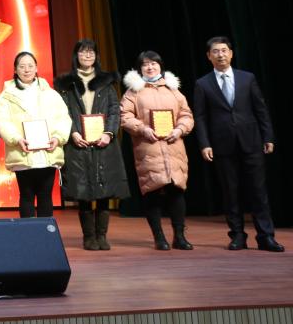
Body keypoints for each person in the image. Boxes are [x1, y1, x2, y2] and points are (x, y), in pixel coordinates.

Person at [192, 37, 282, 252]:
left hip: (251, 142)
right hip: (222, 145)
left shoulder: (247, 78)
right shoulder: (202, 84)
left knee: (258, 191)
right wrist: (204, 144)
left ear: (231, 54)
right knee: (231, 192)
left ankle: (266, 237)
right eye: (216, 51)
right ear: (209, 56)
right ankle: (238, 236)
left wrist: (268, 137)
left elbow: (260, 109)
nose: (220, 55)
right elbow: (200, 117)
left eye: (224, 50)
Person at [54, 39, 129, 250]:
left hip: (103, 142)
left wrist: (109, 133)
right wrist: (73, 133)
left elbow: (114, 110)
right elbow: (62, 113)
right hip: (78, 142)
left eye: (91, 52)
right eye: (83, 52)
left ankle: (101, 235)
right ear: (76, 56)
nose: (87, 55)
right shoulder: (66, 84)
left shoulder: (106, 82)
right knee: (83, 190)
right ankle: (88, 236)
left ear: (96, 56)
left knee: (104, 189)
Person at [120, 51, 195, 250]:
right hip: (148, 147)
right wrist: (143, 129)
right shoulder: (133, 92)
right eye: (145, 64)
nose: (150, 67)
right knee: (151, 191)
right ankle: (159, 237)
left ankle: (179, 236)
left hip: (173, 146)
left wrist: (180, 129)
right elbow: (125, 116)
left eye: (154, 63)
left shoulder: (173, 90)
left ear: (160, 66)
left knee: (176, 191)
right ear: (140, 69)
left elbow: (186, 114)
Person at [0, 51, 71, 219]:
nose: (26, 70)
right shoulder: (6, 96)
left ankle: (45, 233)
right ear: (15, 70)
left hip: (47, 152)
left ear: (36, 68)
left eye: (30, 66)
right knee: (26, 195)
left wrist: (57, 137)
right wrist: (16, 139)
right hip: (22, 152)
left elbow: (63, 118)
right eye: (22, 66)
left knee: (45, 195)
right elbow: (1, 121)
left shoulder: (50, 93)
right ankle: (28, 234)